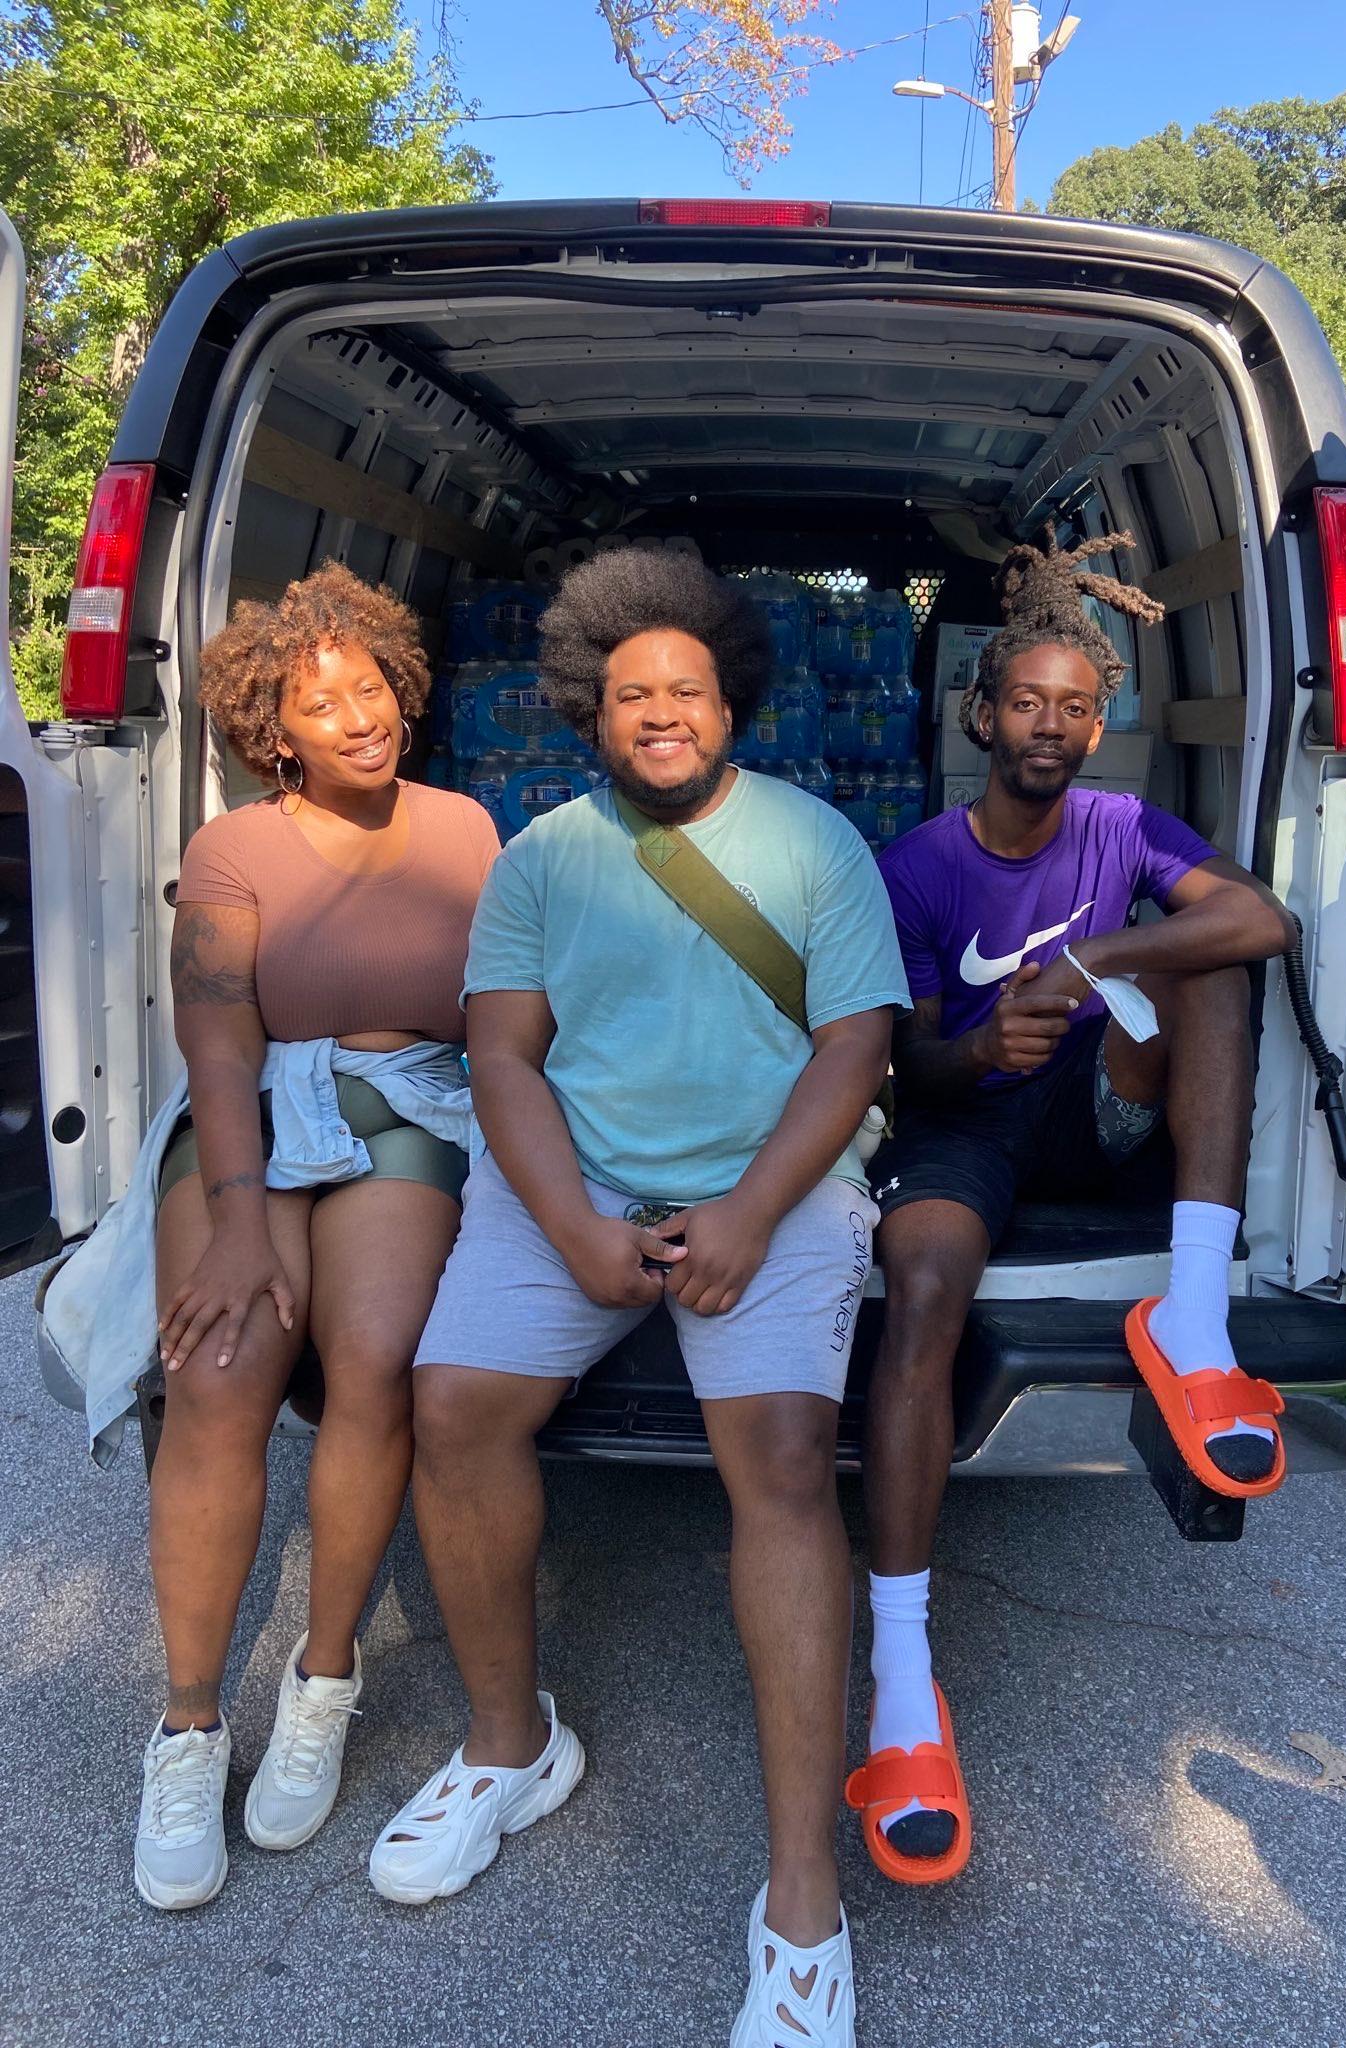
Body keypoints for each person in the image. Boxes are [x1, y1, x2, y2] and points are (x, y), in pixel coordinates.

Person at [370, 549, 908, 2048]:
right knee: (453, 1408)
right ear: (588, 713)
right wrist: (574, 1225)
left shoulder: (816, 845)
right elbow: (501, 1057)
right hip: (580, 1183)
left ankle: (802, 1893)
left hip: (773, 1183)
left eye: (685, 689)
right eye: (629, 695)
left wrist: (749, 1214)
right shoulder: (543, 857)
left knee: (783, 1462)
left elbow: (854, 1050)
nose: (659, 713)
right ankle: (509, 1746)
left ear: (732, 705)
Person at [847, 531, 1295, 1883]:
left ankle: (1194, 1322)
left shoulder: (1122, 828)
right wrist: (982, 1046)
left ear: (1101, 728)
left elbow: (1262, 920)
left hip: (1095, 1112)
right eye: (1027, 703)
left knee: (1213, 967)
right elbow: (903, 1062)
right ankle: (904, 1678)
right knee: (924, 1292)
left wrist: (1093, 960)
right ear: (981, 717)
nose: (1051, 725)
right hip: (966, 1123)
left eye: (1077, 707)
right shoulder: (914, 866)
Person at [131, 564, 500, 1909]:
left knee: (375, 1357)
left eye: (371, 685)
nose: (359, 716)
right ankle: (187, 1726)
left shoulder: (466, 826)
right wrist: (240, 1220)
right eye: (320, 701)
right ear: (271, 732)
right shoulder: (232, 848)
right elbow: (220, 1042)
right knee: (218, 1371)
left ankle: (323, 1678)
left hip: (413, 1101)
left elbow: (505, 1009)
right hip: (261, 1108)